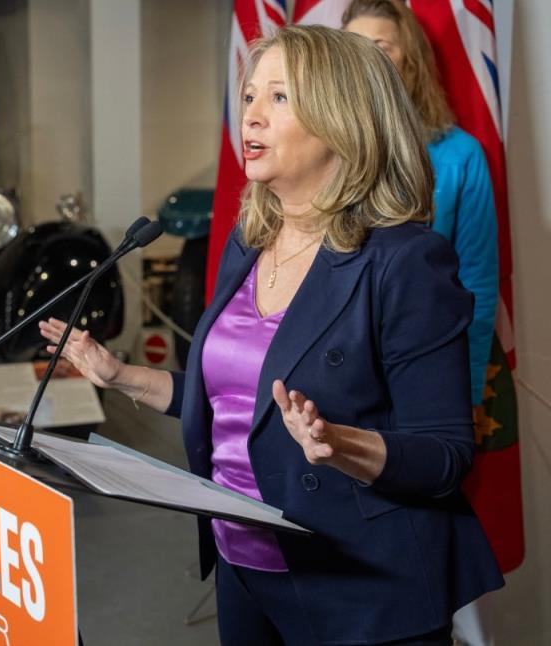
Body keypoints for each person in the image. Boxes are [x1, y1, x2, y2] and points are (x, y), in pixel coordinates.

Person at [40, 25, 503, 646]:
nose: (251, 114)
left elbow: (445, 455)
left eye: (279, 98)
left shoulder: (405, 263)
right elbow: (239, 403)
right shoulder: (248, 245)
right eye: (249, 95)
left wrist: (340, 445)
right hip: (245, 566)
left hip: (361, 585)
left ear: (344, 119)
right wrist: (118, 375)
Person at [342, 0, 499, 423]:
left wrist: (465, 387)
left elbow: (477, 281)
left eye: (382, 45)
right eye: (355, 47)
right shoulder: (322, 149)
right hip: (336, 368)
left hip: (423, 364)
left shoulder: (461, 155)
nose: (369, 59)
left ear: (408, 59)